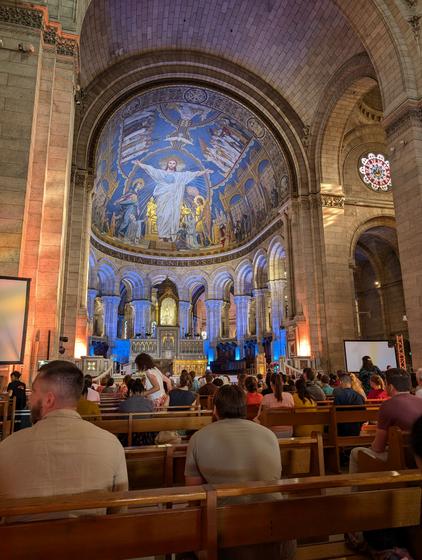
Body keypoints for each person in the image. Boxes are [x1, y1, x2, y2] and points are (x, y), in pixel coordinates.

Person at [185, 384, 295, 560]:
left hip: (225, 538)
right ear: (244, 408)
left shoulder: (198, 438)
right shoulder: (268, 435)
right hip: (277, 532)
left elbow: (193, 495)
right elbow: (274, 477)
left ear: (215, 410)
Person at [0, 360, 128, 509]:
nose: (29, 398)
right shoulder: (111, 444)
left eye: (33, 391)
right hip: (91, 532)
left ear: (49, 399)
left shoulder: (8, 447)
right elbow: (119, 511)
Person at [349, 368, 422, 473]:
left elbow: (378, 447)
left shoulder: (388, 405)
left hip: (400, 458)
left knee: (355, 453)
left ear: (391, 387)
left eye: (386, 383)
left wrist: (369, 447)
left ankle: (361, 487)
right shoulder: (420, 402)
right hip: (418, 456)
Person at [135, 159, 211, 241]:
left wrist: (204, 171)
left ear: (175, 165)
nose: (171, 165)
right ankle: (162, 235)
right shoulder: (161, 173)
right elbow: (151, 169)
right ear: (167, 164)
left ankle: (170, 236)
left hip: (173, 200)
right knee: (162, 215)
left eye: (173, 163)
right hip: (162, 198)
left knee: (172, 215)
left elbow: (191, 174)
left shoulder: (179, 175)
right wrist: (140, 164)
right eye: (170, 163)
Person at [258, 374, 294, 438]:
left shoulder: (266, 397)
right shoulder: (289, 396)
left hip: (272, 433)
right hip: (289, 431)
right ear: (282, 383)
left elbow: (262, 418)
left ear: (271, 383)